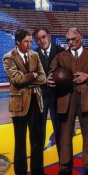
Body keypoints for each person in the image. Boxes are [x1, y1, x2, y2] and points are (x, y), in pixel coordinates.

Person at [48, 27, 88, 175]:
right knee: (65, 134)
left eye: (73, 39)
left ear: (81, 38)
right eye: (68, 40)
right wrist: (50, 77)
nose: (70, 42)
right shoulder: (60, 56)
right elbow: (51, 71)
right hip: (65, 98)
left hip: (86, 97)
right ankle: (65, 167)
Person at [2, 29, 48, 175]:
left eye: (30, 41)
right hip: (19, 104)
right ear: (18, 42)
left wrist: (31, 78)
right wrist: (33, 75)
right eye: (26, 42)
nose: (30, 44)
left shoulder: (35, 55)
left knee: (37, 140)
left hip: (36, 102)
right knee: (20, 141)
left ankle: (37, 171)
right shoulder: (8, 57)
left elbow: (43, 78)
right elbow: (16, 80)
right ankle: (21, 174)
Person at [33, 28, 65, 158]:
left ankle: (63, 165)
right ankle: (38, 167)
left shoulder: (61, 51)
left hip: (58, 97)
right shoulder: (33, 55)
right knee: (39, 132)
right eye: (39, 39)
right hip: (40, 97)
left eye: (44, 37)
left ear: (49, 36)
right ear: (36, 41)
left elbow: (67, 72)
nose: (42, 40)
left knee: (60, 131)